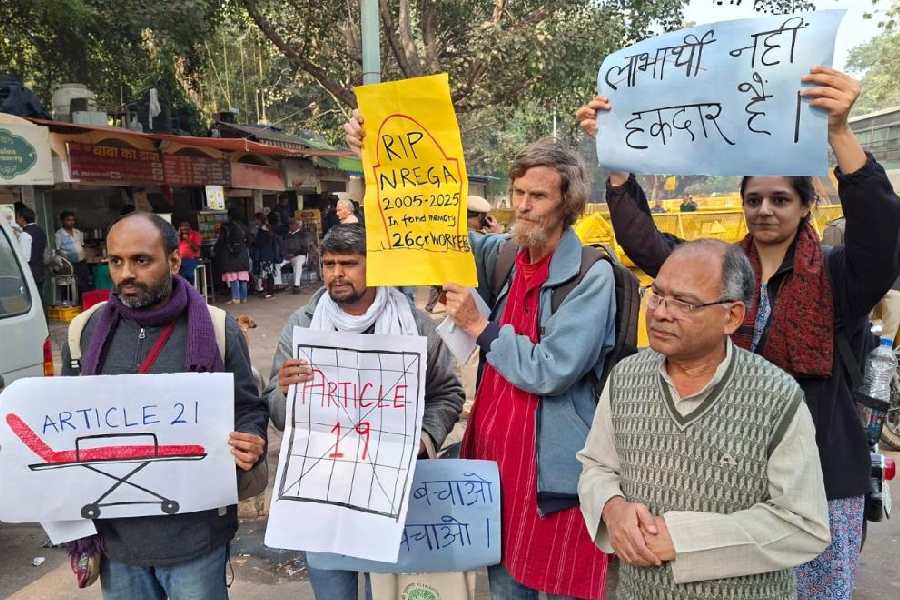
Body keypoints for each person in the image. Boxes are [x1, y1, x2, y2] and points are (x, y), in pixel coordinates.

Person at [576, 66, 900, 599]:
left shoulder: (840, 275)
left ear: (806, 205)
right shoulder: (715, 269)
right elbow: (648, 248)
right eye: (755, 199)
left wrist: (840, 133)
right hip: (730, 475)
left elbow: (883, 238)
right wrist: (617, 166)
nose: (765, 210)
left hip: (821, 471)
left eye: (780, 199)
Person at [352, 112, 619, 598]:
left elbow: (552, 370)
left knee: (563, 582)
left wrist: (481, 327)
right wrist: (375, 162)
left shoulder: (590, 274)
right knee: (504, 585)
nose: (523, 206)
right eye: (518, 193)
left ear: (568, 203)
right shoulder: (504, 254)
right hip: (496, 467)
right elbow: (429, 228)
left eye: (537, 196)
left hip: (554, 481)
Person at [578, 239, 831, 599]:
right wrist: (612, 508)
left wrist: (684, 539)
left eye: (684, 303)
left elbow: (805, 525)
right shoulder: (625, 377)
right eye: (658, 295)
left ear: (731, 317)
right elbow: (596, 466)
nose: (661, 312)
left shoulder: (776, 396)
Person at [60, 212, 268, 600]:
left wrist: (251, 438)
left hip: (196, 536)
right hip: (117, 539)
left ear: (174, 261)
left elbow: (249, 407)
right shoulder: (86, 331)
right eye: (115, 261)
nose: (125, 273)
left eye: (141, 260)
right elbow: (66, 424)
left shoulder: (218, 328)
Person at [264, 224, 465, 600]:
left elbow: (448, 392)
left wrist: (422, 439)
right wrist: (285, 392)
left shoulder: (414, 326)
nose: (336, 273)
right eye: (328, 264)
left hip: (389, 494)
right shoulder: (303, 325)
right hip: (321, 492)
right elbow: (276, 409)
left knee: (386, 592)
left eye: (348, 263)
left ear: (374, 267)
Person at [425, 194, 503, 313]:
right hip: (470, 304)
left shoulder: (449, 234)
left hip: (450, 302)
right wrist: (497, 233)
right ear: (480, 217)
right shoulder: (478, 241)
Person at [215, 213, 251, 305]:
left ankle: (236, 298)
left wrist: (216, 249)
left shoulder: (226, 227)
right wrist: (244, 246)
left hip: (230, 256)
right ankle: (244, 298)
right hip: (242, 255)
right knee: (242, 277)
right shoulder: (244, 227)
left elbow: (221, 241)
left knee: (233, 278)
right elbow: (251, 239)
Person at [55, 210, 92, 296]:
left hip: (82, 262)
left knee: (85, 284)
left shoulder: (78, 232)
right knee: (74, 286)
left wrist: (86, 256)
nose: (71, 222)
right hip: (70, 265)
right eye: (68, 220)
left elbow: (82, 246)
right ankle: (76, 304)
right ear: (63, 221)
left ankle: (85, 303)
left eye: (72, 220)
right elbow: (58, 250)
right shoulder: (59, 234)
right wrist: (66, 260)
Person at [14, 203, 47, 297]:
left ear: (22, 218)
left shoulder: (25, 234)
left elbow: (25, 258)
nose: (16, 220)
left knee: (33, 298)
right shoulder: (40, 230)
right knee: (40, 297)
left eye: (17, 217)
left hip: (31, 273)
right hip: (40, 270)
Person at [253, 213, 282, 298]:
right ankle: (269, 291)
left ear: (259, 220)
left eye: (255, 219)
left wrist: (254, 241)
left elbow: (260, 243)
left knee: (267, 274)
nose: (255, 221)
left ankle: (269, 292)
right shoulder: (268, 228)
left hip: (265, 254)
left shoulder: (262, 230)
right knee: (269, 273)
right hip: (270, 254)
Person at [280, 217, 311, 295]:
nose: (290, 226)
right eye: (290, 224)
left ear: (297, 225)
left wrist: (293, 254)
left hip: (300, 255)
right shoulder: (287, 235)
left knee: (297, 264)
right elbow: (282, 248)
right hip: (287, 257)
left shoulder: (303, 234)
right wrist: (285, 255)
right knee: (277, 264)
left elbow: (305, 248)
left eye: (292, 224)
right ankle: (277, 284)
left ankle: (296, 286)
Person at [177, 221, 202, 285]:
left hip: (192, 259)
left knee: (184, 272)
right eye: (182, 230)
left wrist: (188, 240)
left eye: (185, 229)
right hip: (180, 259)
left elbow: (196, 249)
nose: (184, 231)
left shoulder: (195, 234)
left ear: (189, 228)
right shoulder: (179, 236)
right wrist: (178, 236)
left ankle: (189, 287)